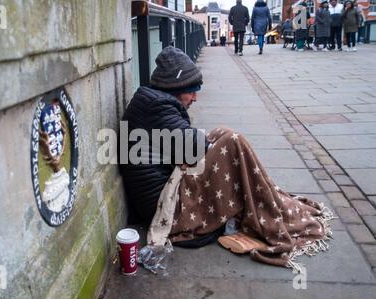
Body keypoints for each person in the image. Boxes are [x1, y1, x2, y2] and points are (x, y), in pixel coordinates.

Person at [120, 46, 334, 271]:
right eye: (192, 90)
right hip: (165, 205)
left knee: (220, 133)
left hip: (162, 186)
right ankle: (266, 201)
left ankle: (262, 195)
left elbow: (187, 145)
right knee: (231, 141)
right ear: (175, 87)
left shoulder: (153, 100)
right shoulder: (158, 106)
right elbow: (194, 146)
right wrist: (200, 150)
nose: (195, 96)